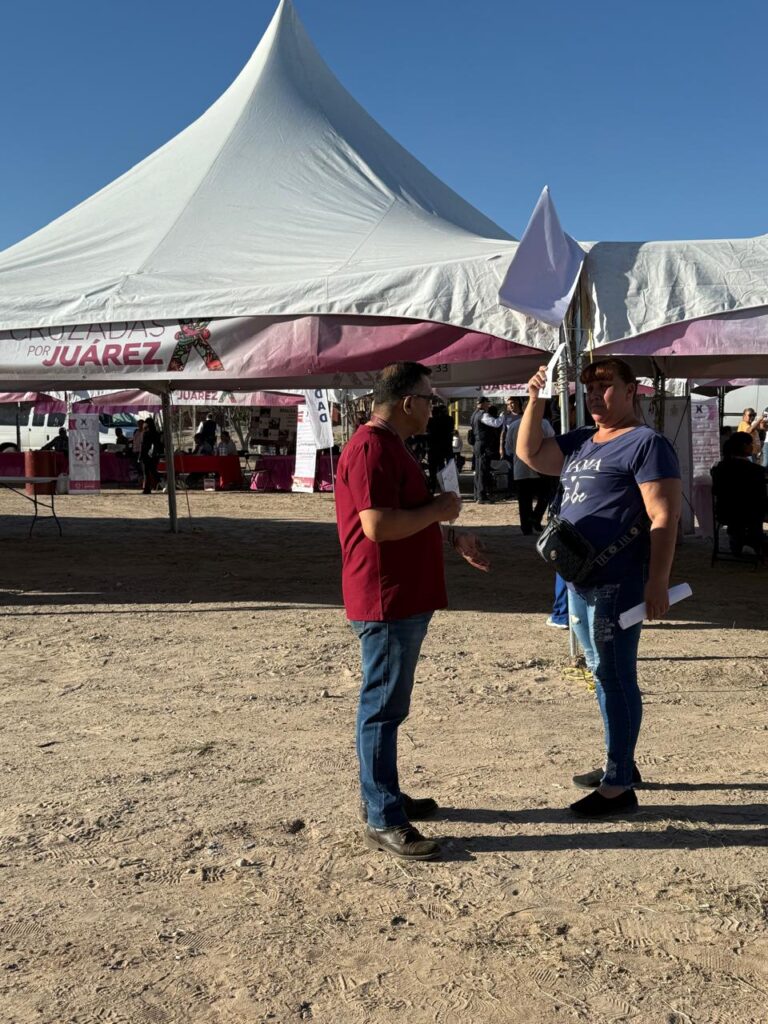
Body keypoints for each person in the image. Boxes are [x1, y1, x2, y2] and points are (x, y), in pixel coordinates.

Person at [335, 361, 490, 861]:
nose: (433, 408)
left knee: (387, 706)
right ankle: (382, 816)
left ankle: (382, 796)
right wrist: (440, 510)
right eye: (429, 399)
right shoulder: (372, 448)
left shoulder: (388, 446)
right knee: (382, 708)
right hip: (387, 598)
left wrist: (449, 533)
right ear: (407, 402)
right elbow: (378, 526)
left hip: (397, 595)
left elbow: (400, 516)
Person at [517, 356, 681, 818]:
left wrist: (657, 581)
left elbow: (664, 516)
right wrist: (536, 399)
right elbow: (531, 454)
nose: (594, 397)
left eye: (605, 387)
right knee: (601, 672)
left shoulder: (646, 444)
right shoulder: (584, 439)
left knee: (614, 675)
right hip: (580, 579)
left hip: (618, 580)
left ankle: (618, 787)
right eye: (589, 390)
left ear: (631, 391)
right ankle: (620, 761)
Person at [711, 431, 767, 556]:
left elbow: (715, 491)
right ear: (744, 446)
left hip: (724, 513)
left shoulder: (719, 468)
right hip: (750, 514)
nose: (752, 447)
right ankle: (753, 542)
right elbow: (761, 498)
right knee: (756, 509)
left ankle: (740, 540)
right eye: (751, 444)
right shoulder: (757, 471)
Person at [505, 409, 554, 534]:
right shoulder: (543, 424)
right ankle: (535, 517)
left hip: (520, 468)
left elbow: (508, 447)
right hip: (540, 467)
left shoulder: (514, 425)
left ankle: (526, 527)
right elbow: (552, 441)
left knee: (524, 500)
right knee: (545, 495)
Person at [426, 402, 455, 492]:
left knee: (433, 468)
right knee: (443, 466)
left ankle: (433, 486)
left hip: (433, 447)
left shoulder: (431, 421)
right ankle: (444, 485)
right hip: (446, 447)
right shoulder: (449, 419)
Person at [140, 417, 162, 494]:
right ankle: (150, 486)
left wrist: (141, 455)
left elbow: (144, 446)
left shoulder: (146, 434)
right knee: (152, 471)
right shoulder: (157, 434)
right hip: (154, 455)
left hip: (147, 455)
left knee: (148, 472)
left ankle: (149, 487)